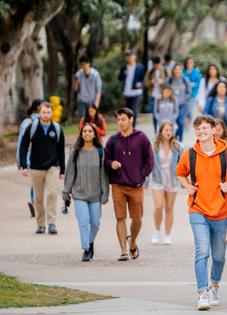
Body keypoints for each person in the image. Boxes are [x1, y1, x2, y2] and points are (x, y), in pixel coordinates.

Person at [176, 115, 227, 310]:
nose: (201, 132)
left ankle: (214, 285)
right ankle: (202, 293)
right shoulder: (190, 154)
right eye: (198, 129)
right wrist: (187, 186)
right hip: (198, 209)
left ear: (214, 130)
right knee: (202, 251)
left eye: (204, 128)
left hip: (220, 210)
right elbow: (180, 172)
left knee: (219, 256)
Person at [104, 108, 154, 261]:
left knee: (137, 219)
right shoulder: (113, 139)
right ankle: (123, 251)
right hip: (118, 185)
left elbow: (150, 161)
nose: (120, 122)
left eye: (123, 119)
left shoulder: (142, 138)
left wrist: (140, 176)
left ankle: (132, 242)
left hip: (136, 185)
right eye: (119, 119)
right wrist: (111, 164)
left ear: (131, 119)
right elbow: (105, 159)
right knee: (120, 218)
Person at [62, 123, 109, 261]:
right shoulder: (75, 152)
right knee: (83, 222)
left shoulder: (100, 152)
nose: (87, 133)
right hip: (79, 194)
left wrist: (105, 193)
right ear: (81, 134)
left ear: (95, 134)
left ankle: (90, 242)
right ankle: (86, 249)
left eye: (90, 131)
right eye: (84, 131)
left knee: (95, 223)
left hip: (95, 195)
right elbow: (69, 174)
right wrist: (66, 193)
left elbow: (103, 175)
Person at [19, 102, 66, 235]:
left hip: (53, 167)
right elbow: (23, 146)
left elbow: (61, 150)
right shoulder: (32, 127)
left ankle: (51, 223)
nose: (46, 115)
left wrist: (62, 170)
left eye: (48, 112)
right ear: (39, 113)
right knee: (38, 197)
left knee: (52, 193)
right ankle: (40, 224)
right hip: (36, 167)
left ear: (51, 113)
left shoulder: (56, 129)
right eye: (43, 112)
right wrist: (24, 165)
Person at [146, 121, 182, 246]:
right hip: (158, 179)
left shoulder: (178, 146)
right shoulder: (154, 146)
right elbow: (148, 164)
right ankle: (156, 231)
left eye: (170, 130)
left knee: (169, 208)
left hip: (172, 180)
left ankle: (167, 234)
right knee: (158, 206)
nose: (168, 132)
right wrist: (145, 181)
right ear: (161, 131)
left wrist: (184, 181)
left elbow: (182, 165)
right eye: (166, 130)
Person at [17, 99, 42, 218]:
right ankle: (34, 201)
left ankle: (34, 200)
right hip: (39, 156)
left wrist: (19, 160)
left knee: (35, 180)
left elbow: (21, 143)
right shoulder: (43, 121)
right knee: (39, 180)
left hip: (27, 156)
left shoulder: (25, 122)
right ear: (38, 107)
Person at [118, 50, 145, 128]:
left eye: (131, 56)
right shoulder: (124, 67)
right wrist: (124, 74)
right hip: (127, 92)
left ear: (135, 57)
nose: (130, 58)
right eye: (128, 56)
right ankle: (128, 126)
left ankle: (133, 127)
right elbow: (119, 78)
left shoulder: (139, 67)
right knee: (127, 111)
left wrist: (140, 83)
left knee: (134, 111)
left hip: (136, 92)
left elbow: (143, 78)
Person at [165, 64, 192, 140]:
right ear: (173, 70)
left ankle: (179, 140)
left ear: (181, 70)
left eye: (179, 69)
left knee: (180, 122)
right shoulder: (169, 80)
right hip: (171, 105)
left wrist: (183, 99)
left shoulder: (185, 79)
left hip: (182, 105)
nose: (177, 71)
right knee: (172, 122)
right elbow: (164, 91)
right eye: (175, 69)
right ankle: (172, 139)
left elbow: (189, 92)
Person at [74, 56, 102, 120]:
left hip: (92, 101)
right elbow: (75, 90)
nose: (83, 66)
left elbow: (98, 89)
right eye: (81, 65)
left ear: (88, 64)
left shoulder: (95, 74)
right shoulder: (78, 74)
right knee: (82, 120)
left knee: (92, 120)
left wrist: (97, 102)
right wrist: (76, 83)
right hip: (81, 100)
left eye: (84, 64)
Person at [145, 56, 168, 133]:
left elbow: (170, 82)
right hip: (153, 96)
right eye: (155, 65)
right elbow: (145, 83)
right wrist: (151, 82)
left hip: (163, 96)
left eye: (158, 64)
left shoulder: (165, 70)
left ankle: (163, 131)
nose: (156, 66)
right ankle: (157, 132)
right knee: (155, 115)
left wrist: (163, 82)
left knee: (163, 115)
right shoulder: (150, 71)